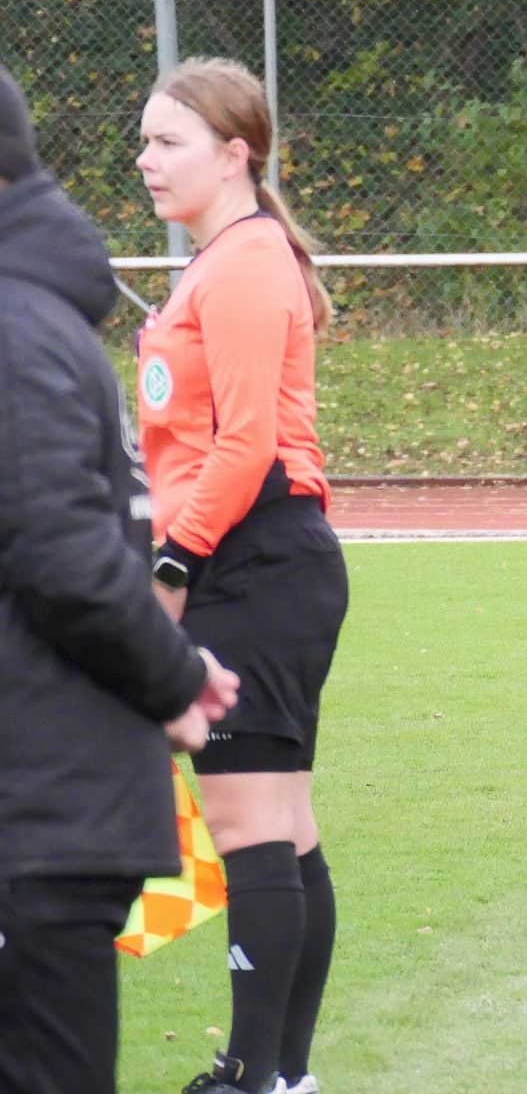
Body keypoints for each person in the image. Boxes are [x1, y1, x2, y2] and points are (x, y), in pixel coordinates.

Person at [0, 66, 240, 1094]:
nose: (147, 161)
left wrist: (172, 676)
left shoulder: (16, 328)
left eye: (167, 140)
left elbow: (59, 547)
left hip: (35, 809)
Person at [136, 58, 350, 1094]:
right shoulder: (222, 260)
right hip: (258, 560)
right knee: (283, 829)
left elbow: (247, 443)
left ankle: (248, 1076)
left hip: (251, 562)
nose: (145, 160)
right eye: (143, 140)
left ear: (235, 155)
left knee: (250, 827)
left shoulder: (247, 261)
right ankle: (282, 1077)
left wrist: (172, 566)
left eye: (166, 141)